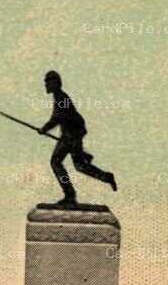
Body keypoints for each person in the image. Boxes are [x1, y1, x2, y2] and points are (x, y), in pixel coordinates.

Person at [39, 71, 117, 203]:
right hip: (68, 134)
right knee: (78, 165)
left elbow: (58, 117)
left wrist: (44, 128)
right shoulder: (58, 96)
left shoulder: (61, 98)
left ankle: (70, 195)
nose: (45, 85)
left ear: (55, 83)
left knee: (59, 163)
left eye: (47, 82)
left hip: (72, 134)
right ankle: (105, 176)